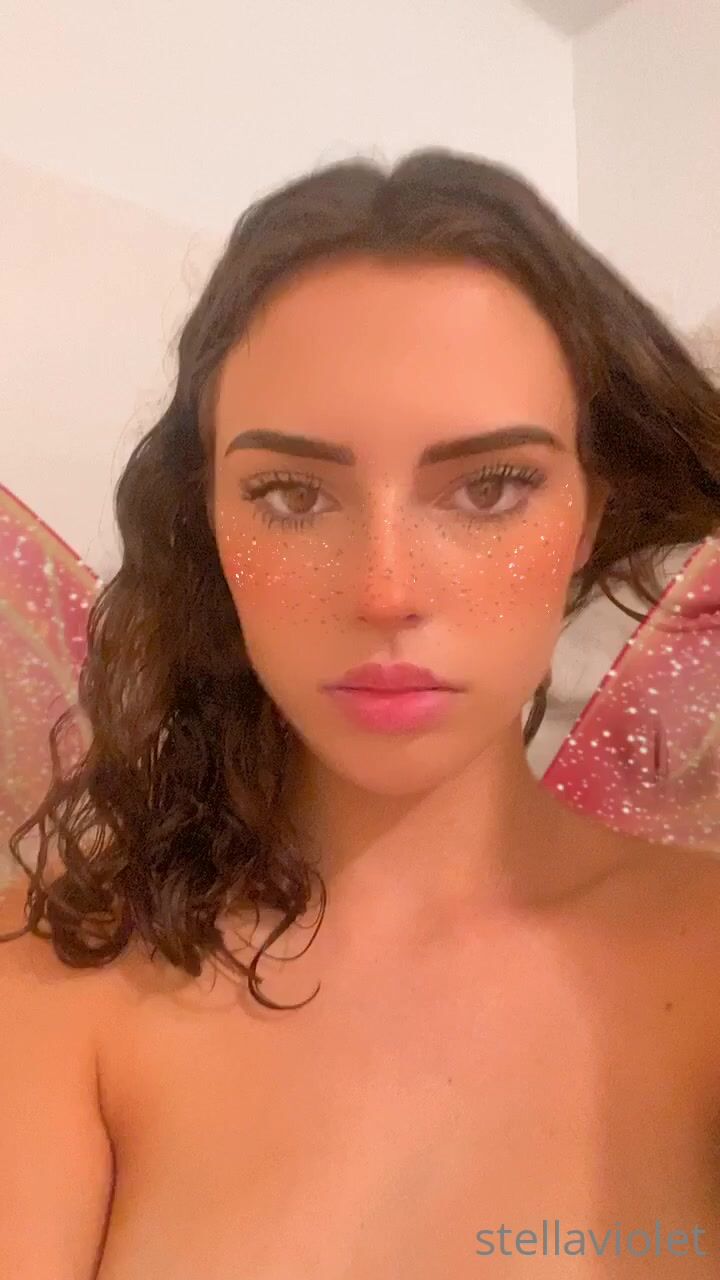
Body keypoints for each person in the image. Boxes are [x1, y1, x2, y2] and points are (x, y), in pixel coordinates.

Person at [1, 147, 720, 1279]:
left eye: (490, 486)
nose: (386, 589)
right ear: (209, 524)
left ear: (591, 514)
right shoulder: (50, 980)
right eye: (293, 494)